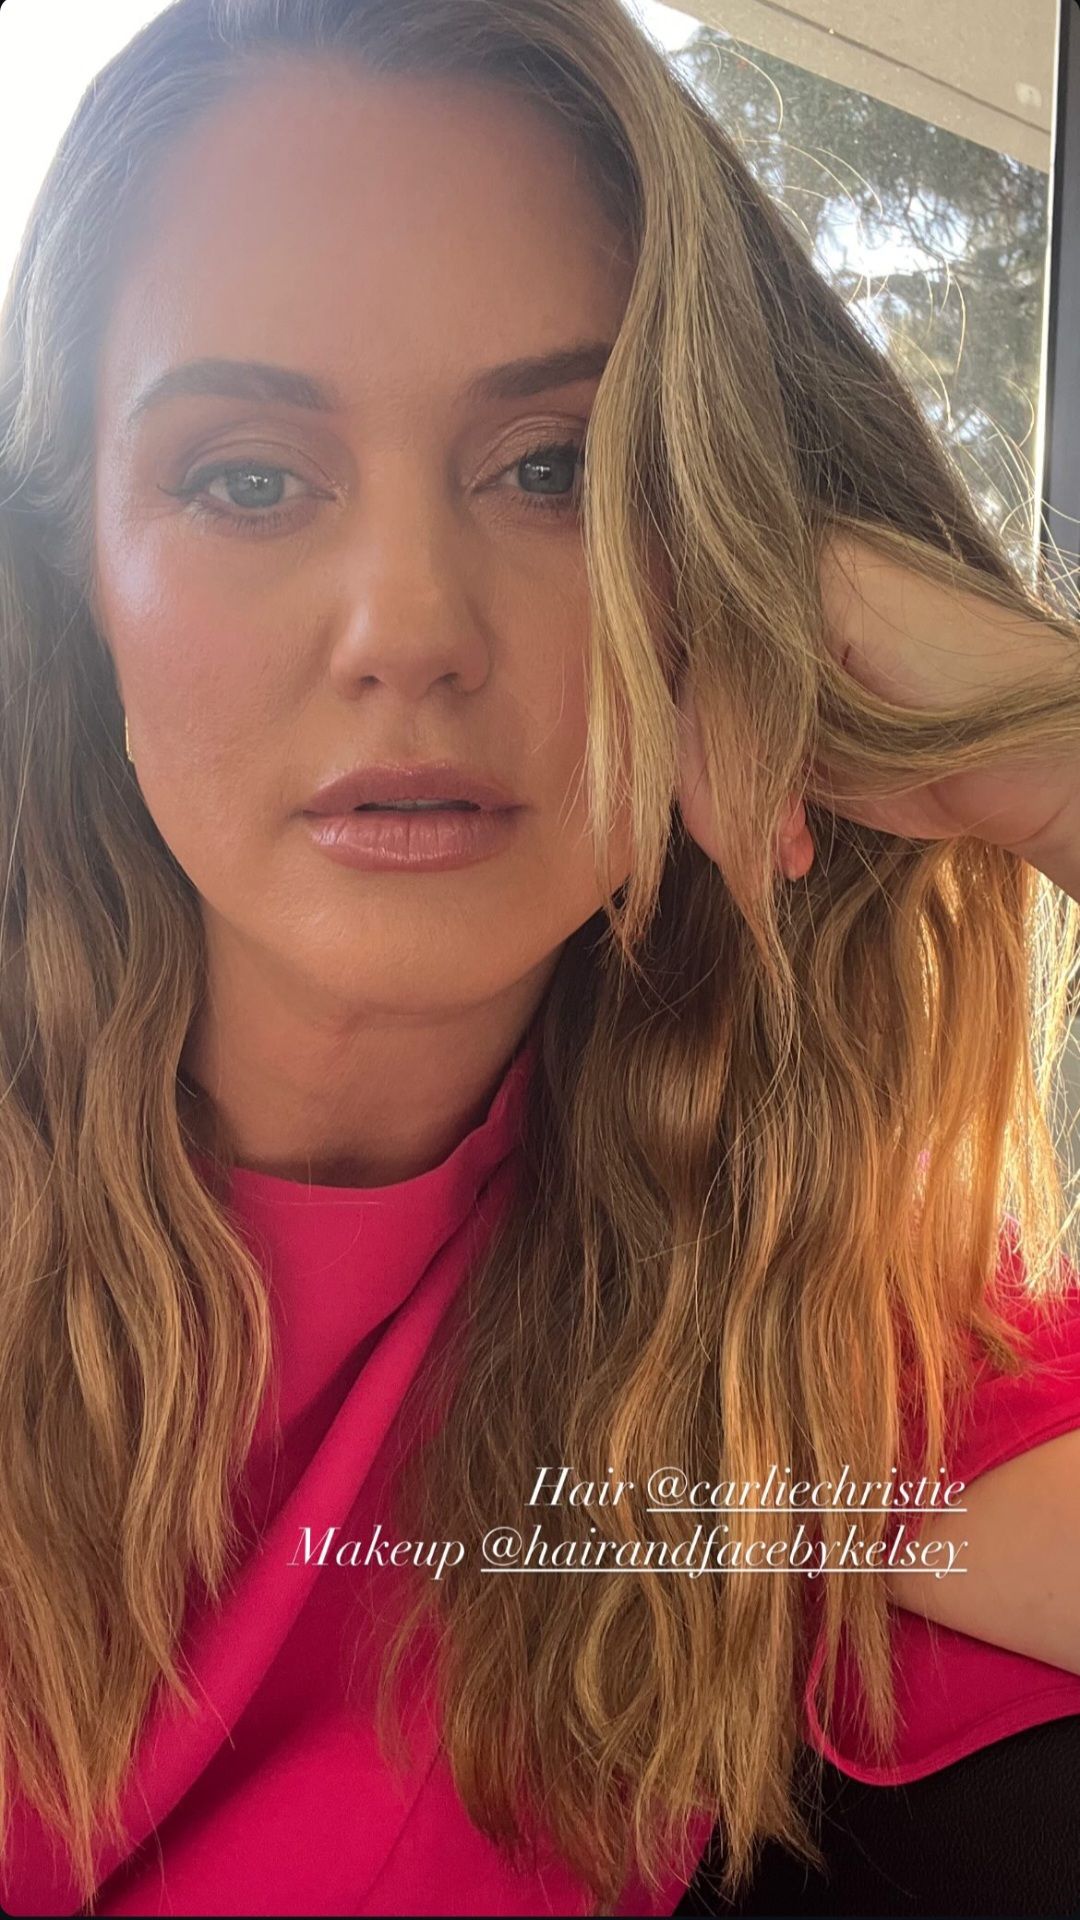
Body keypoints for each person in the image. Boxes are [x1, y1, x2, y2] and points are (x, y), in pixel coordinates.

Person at [0, 0, 1078, 1914]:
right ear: (70, 574)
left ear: (724, 548)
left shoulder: (784, 1330)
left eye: (559, 471)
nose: (409, 629)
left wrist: (1052, 753)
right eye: (247, 477)